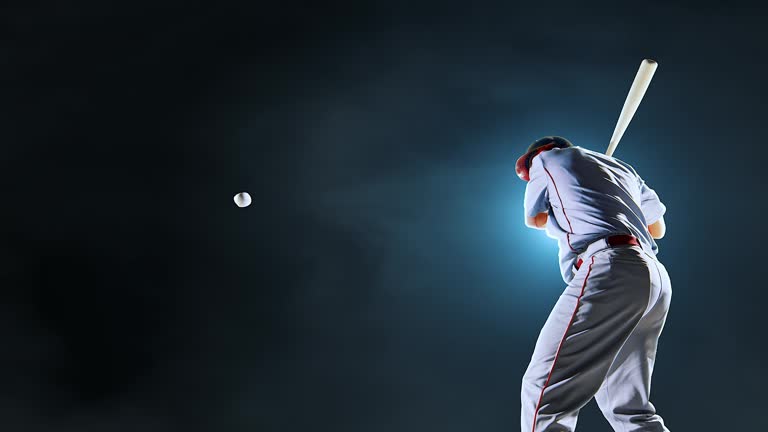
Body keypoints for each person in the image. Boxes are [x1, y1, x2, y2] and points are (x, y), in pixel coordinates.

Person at [516, 136, 672, 432]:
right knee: (629, 408)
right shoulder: (621, 167)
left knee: (545, 387)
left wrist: (564, 206)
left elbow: (533, 219)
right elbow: (658, 229)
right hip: (653, 276)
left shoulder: (545, 160)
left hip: (610, 267)